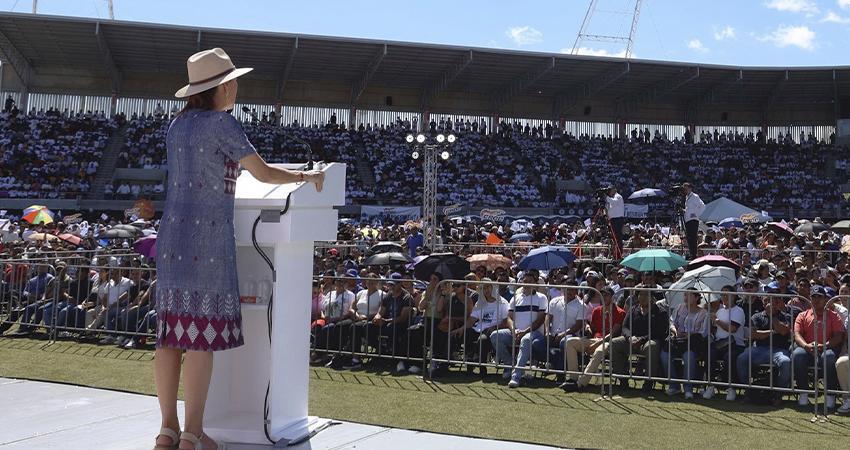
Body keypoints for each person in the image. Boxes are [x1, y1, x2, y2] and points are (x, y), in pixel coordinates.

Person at [153, 48, 324, 450]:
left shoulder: (176, 126)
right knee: (198, 337)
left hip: (172, 235)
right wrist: (307, 174)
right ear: (225, 86)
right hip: (208, 238)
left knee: (169, 336)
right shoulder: (223, 124)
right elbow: (262, 173)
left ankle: (167, 430)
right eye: (235, 83)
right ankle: (193, 434)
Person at [561, 286, 626, 392]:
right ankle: (573, 378)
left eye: (607, 295)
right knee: (570, 342)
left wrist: (596, 344)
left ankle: (581, 383)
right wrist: (587, 327)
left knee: (599, 351)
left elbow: (613, 334)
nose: (604, 297)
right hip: (595, 339)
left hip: (610, 342)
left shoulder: (620, 312)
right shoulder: (596, 311)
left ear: (612, 297)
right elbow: (593, 329)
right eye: (602, 295)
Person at [791, 285, 846, 409]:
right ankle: (803, 392)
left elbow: (838, 336)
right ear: (810, 299)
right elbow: (797, 334)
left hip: (827, 348)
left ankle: (830, 394)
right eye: (813, 297)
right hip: (808, 348)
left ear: (825, 299)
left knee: (830, 357)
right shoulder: (802, 315)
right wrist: (806, 346)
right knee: (797, 355)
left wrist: (825, 345)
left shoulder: (833, 315)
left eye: (819, 297)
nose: (816, 300)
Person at [491, 270, 548, 388]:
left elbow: (540, 320)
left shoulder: (542, 298)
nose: (526, 283)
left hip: (534, 333)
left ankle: (516, 376)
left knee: (525, 340)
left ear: (535, 283)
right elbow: (509, 318)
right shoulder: (515, 297)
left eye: (530, 281)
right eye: (524, 281)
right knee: (495, 336)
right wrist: (514, 330)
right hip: (516, 332)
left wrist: (524, 332)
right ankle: (508, 363)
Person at [736, 295, 793, 405]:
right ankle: (749, 392)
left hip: (779, 350)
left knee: (785, 362)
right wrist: (772, 332)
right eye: (766, 301)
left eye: (772, 301)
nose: (769, 303)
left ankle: (778, 395)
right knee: (742, 358)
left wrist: (772, 316)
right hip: (759, 349)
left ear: (777, 303)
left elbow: (783, 331)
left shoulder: (785, 316)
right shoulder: (756, 316)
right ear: (762, 304)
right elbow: (754, 335)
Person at [611, 286, 668, 391]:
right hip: (632, 340)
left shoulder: (660, 312)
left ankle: (648, 381)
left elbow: (659, 331)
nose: (642, 297)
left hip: (648, 341)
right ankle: (622, 378)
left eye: (646, 295)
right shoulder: (633, 309)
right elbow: (625, 326)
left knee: (652, 346)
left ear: (652, 297)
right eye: (640, 294)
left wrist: (642, 339)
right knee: (614, 343)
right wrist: (630, 337)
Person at [660, 289, 709, 399]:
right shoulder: (679, 307)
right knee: (664, 355)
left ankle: (688, 388)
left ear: (696, 298)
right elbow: (671, 322)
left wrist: (689, 334)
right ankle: (674, 385)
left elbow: (704, 332)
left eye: (689, 295)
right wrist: (675, 331)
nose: (686, 297)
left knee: (689, 357)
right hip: (678, 341)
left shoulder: (704, 313)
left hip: (693, 343)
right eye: (685, 295)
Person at [680, 183, 704, 259]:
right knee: (689, 238)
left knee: (693, 237)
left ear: (690, 188)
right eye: (684, 189)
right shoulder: (686, 197)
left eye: (686, 188)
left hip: (693, 219)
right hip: (687, 219)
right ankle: (691, 253)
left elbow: (702, 206)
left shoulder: (695, 196)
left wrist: (695, 214)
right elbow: (688, 209)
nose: (685, 190)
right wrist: (683, 211)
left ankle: (693, 254)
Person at [605, 185, 625, 258]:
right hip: (612, 220)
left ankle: (619, 254)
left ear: (614, 190)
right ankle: (614, 253)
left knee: (618, 238)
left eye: (610, 190)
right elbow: (607, 208)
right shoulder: (610, 199)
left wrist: (606, 197)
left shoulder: (618, 196)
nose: (609, 191)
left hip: (618, 219)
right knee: (613, 238)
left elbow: (614, 202)